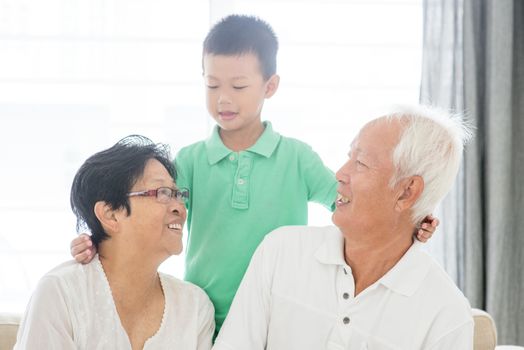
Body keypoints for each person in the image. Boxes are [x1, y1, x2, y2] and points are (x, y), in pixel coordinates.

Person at [69, 15, 438, 335]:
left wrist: (406, 222)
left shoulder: (296, 158)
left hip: (281, 314)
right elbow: (151, 218)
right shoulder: (191, 161)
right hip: (204, 316)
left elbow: (350, 206)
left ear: (270, 86)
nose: (223, 99)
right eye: (212, 85)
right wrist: (98, 241)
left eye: (238, 86)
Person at [213, 105, 474, 350]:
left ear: (406, 192)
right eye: (349, 157)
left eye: (360, 163)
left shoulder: (447, 315)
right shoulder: (281, 252)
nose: (339, 173)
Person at [15, 136, 214, 349]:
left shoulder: (194, 307)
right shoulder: (61, 293)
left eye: (178, 194)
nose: (180, 208)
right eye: (162, 193)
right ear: (110, 215)